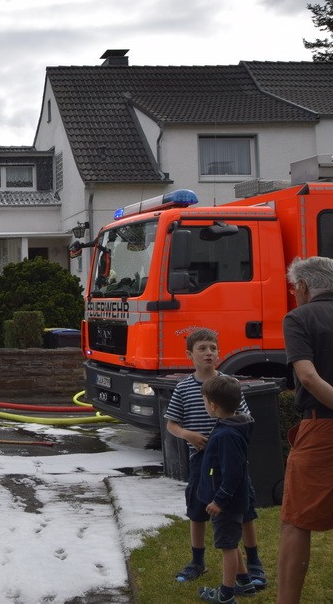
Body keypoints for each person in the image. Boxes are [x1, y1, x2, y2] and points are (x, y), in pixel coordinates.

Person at [164, 327, 265, 591]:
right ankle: (197, 561)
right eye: (202, 348)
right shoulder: (184, 388)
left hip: (231, 462)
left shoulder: (229, 384)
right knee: (197, 510)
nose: (209, 353)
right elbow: (171, 424)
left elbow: (245, 418)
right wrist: (188, 435)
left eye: (213, 348)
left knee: (242, 510)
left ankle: (254, 563)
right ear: (190, 354)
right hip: (200, 461)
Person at [277, 256, 333, 604]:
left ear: (302, 287)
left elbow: (309, 377)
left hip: (321, 429)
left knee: (296, 520)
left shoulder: (299, 317)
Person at [196, 375, 258, 604]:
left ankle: (226, 595)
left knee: (228, 547)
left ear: (213, 405)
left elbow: (233, 473)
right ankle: (245, 583)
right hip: (229, 502)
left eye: (205, 402)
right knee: (231, 542)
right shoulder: (229, 427)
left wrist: (219, 501)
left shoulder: (227, 434)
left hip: (227, 505)